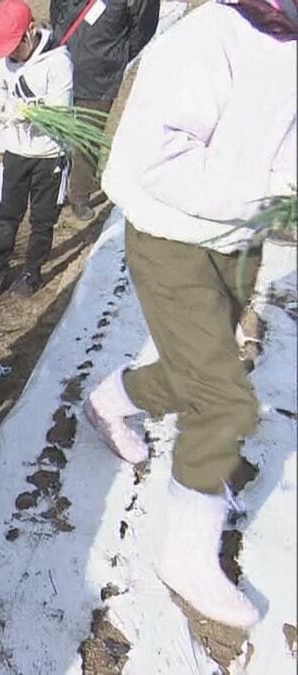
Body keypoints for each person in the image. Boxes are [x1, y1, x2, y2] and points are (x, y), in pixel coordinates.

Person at [86, 0, 296, 629]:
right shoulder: (210, 37)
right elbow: (160, 158)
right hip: (172, 238)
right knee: (225, 401)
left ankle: (109, 399)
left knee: (197, 374)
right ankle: (185, 555)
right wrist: (267, 190)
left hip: (239, 238)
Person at [0, 0, 74, 297]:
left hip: (48, 156)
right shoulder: (5, 62)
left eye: (15, 46)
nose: (11, 54)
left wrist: (25, 112)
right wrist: (3, 109)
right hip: (17, 152)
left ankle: (31, 272)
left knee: (42, 218)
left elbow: (60, 111)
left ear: (31, 31)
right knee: (9, 215)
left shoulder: (58, 61)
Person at [50, 0, 159, 220]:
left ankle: (79, 194)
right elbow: (56, 8)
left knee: (88, 135)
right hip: (63, 59)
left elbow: (143, 27)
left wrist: (117, 54)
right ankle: (52, 193)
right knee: (55, 133)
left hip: (101, 68)